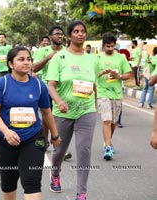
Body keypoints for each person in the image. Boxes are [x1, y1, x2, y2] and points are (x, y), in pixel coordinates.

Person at [0, 46, 61, 200]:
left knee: (32, 182)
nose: (26, 62)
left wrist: (54, 135)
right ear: (10, 64)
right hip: (5, 141)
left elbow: (46, 112)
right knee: (9, 182)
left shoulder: (39, 85)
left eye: (28, 59)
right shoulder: (1, 84)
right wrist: (7, 132)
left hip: (33, 139)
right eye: (21, 59)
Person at [46, 20, 100, 200]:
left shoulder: (93, 59)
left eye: (83, 31)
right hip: (63, 111)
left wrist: (95, 106)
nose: (80, 34)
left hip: (86, 110)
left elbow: (94, 85)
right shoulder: (59, 57)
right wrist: (59, 101)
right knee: (59, 150)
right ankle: (55, 174)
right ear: (69, 36)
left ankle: (81, 193)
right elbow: (51, 85)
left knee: (84, 150)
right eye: (76, 31)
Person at [96, 32, 132, 160]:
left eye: (112, 46)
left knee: (113, 122)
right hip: (102, 93)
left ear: (115, 45)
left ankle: (108, 141)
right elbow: (92, 75)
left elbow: (129, 74)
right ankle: (108, 147)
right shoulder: (98, 58)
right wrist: (101, 72)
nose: (110, 49)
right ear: (103, 46)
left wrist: (119, 76)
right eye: (107, 46)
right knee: (106, 119)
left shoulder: (121, 58)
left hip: (116, 94)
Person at [32, 26, 65, 151]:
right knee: (47, 117)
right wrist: (48, 57)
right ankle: (45, 141)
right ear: (51, 37)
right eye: (57, 34)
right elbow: (34, 68)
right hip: (47, 88)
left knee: (61, 118)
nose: (60, 36)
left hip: (63, 89)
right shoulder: (43, 50)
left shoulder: (66, 51)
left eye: (61, 34)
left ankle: (60, 144)